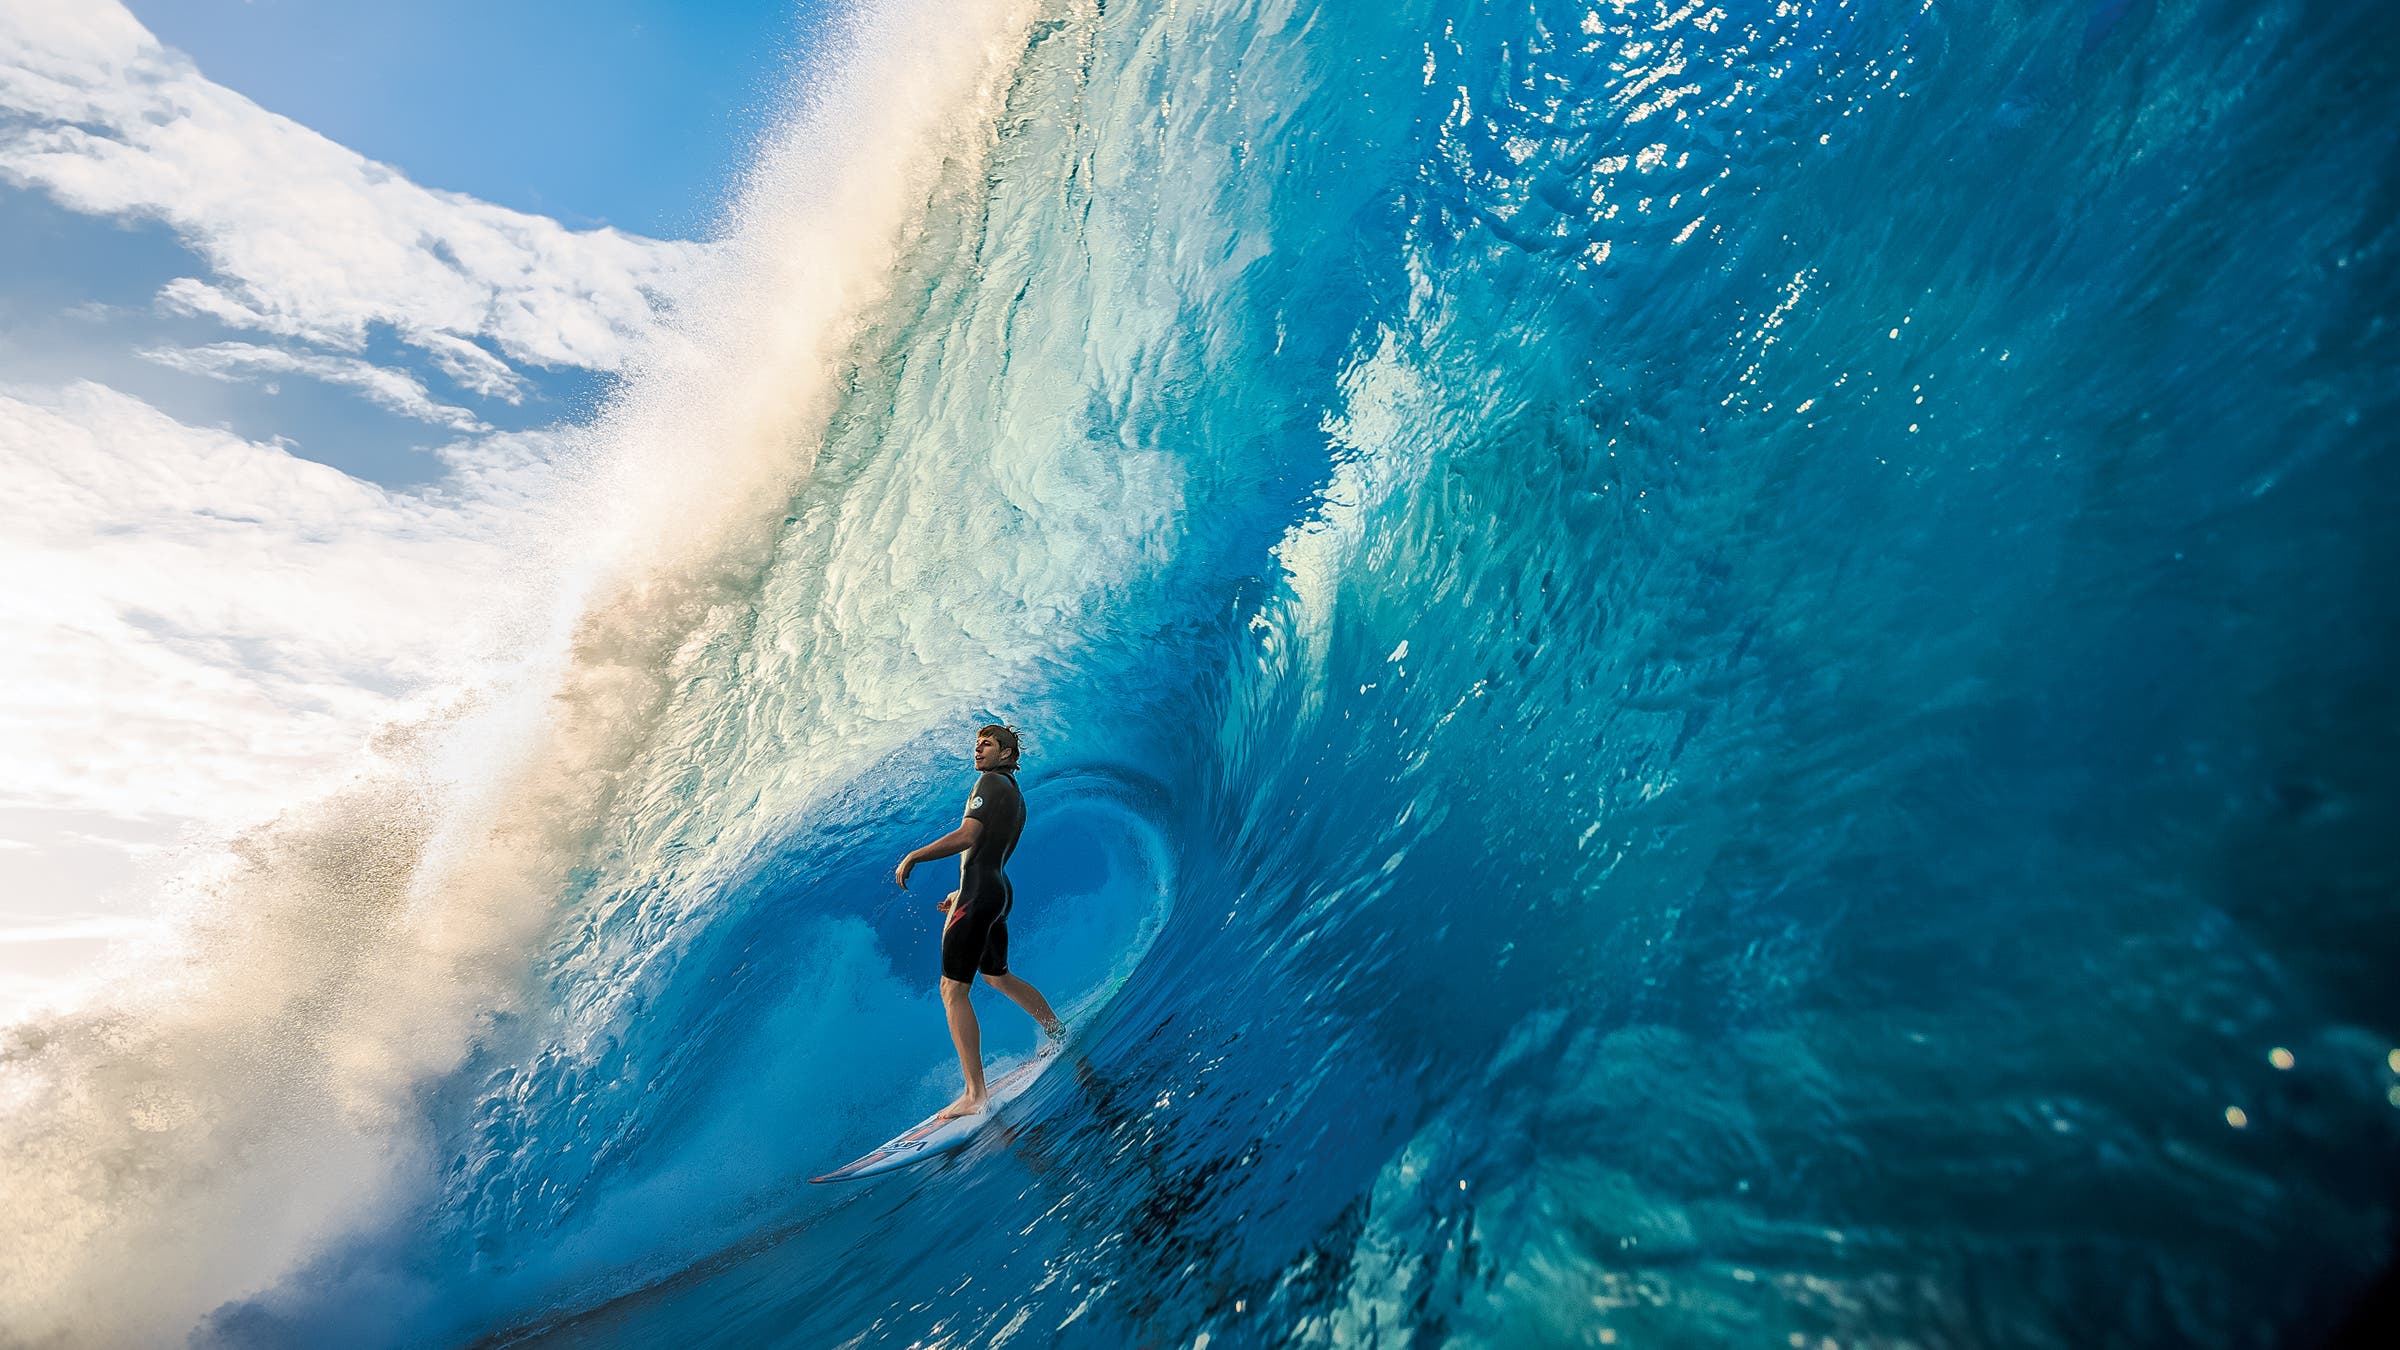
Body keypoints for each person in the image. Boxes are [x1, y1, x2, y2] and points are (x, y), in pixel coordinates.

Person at [893, 723, 1065, 1118]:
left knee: (952, 991)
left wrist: (915, 855)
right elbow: (990, 850)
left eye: (987, 744)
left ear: (1006, 754)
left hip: (981, 895)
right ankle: (1056, 1031)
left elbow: (969, 836)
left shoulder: (988, 783)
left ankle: (975, 1094)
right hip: (997, 890)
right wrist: (962, 889)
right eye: (976, 744)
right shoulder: (1015, 795)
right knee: (997, 977)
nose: (978, 750)